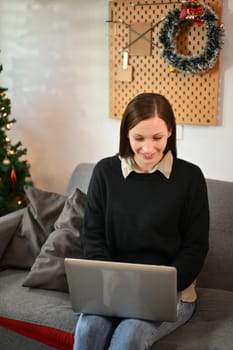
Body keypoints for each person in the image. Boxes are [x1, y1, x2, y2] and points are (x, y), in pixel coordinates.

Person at [73, 92, 209, 350]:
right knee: (89, 327)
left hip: (171, 293)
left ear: (170, 131)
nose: (148, 148)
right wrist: (108, 282)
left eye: (157, 138)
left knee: (130, 335)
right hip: (112, 291)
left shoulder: (190, 178)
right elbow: (92, 236)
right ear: (126, 134)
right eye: (139, 138)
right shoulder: (105, 172)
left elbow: (196, 247)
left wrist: (162, 289)